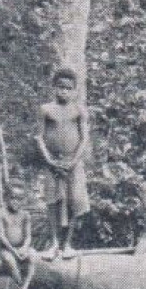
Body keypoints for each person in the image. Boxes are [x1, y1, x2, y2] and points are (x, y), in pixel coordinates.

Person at [35, 67, 89, 259]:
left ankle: (68, 244)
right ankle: (54, 244)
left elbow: (84, 139)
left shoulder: (78, 111)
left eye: (68, 88)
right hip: (53, 163)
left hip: (73, 163)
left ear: (74, 90)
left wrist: (74, 161)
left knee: (75, 201)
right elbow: (39, 137)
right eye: (60, 87)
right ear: (54, 88)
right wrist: (49, 160)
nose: (63, 92)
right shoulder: (46, 109)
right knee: (53, 202)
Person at [0, 180, 37, 289]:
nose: (16, 202)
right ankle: (20, 284)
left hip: (21, 248)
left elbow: (28, 236)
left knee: (33, 254)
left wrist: (24, 247)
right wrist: (13, 250)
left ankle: (26, 286)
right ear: (7, 198)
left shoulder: (25, 215)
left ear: (23, 200)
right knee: (9, 259)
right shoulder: (1, 213)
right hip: (6, 249)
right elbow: (1, 236)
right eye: (13, 198)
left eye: (19, 199)